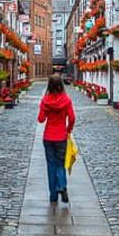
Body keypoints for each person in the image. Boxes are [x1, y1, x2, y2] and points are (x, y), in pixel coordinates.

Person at [38, 74, 76, 204]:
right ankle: (62, 185)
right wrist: (68, 130)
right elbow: (72, 118)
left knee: (51, 165)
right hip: (61, 136)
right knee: (60, 164)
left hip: (48, 136)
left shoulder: (45, 100)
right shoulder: (66, 100)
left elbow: (41, 119)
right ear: (61, 85)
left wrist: (44, 109)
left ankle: (53, 196)